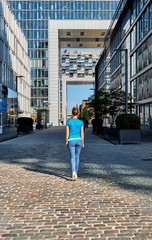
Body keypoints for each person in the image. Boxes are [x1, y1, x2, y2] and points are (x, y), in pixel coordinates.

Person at [66, 107, 84, 181]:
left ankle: (73, 171)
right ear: (78, 113)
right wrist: (82, 142)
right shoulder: (81, 122)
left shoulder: (68, 122)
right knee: (77, 157)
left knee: (72, 157)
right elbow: (82, 133)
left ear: (72, 113)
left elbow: (67, 133)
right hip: (79, 140)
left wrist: (66, 142)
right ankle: (75, 173)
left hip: (71, 141)